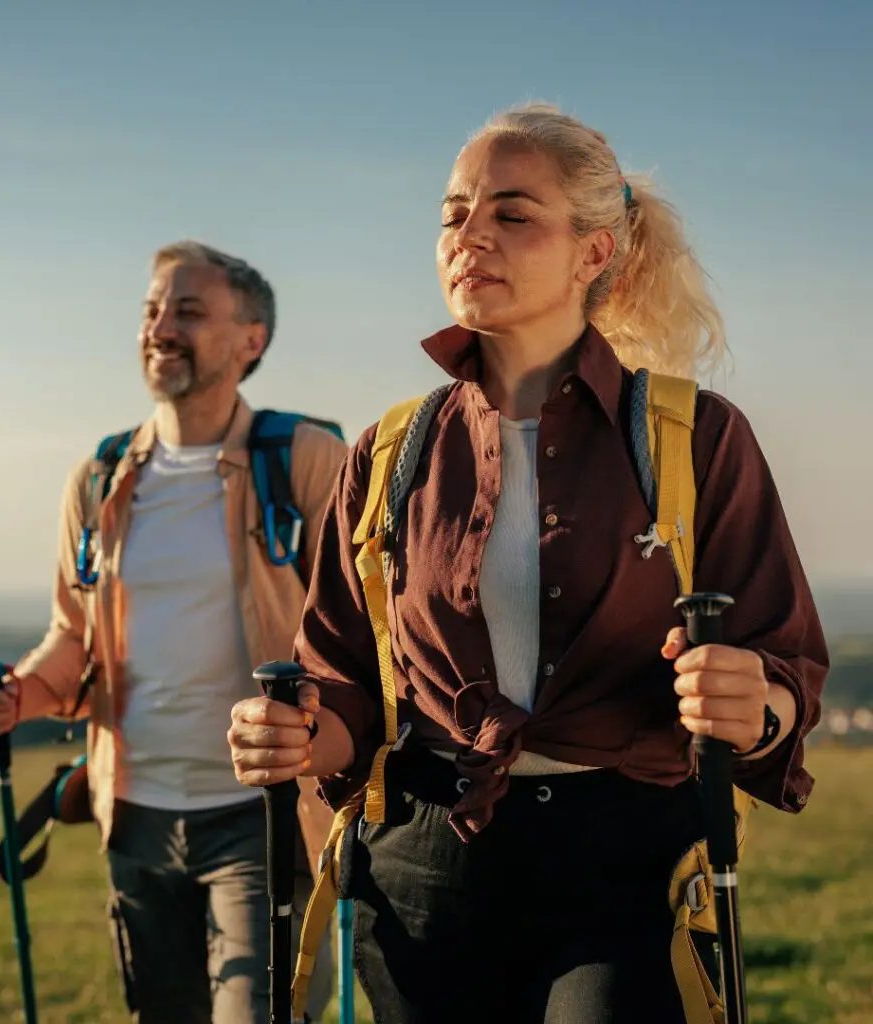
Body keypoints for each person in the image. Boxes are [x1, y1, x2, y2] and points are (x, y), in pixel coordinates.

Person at [226, 104, 828, 1023]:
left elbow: (782, 659)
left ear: (595, 251)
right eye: (454, 213)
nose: (470, 236)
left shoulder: (695, 436)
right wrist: (301, 734)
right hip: (422, 866)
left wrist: (758, 705)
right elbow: (343, 675)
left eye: (512, 213)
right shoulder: (390, 450)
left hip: (628, 868)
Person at [0, 240, 344, 1023]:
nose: (160, 328)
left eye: (188, 312)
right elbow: (74, 636)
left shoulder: (305, 460)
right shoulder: (101, 478)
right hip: (134, 817)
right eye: (152, 311)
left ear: (251, 340)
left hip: (265, 815)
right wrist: (18, 695)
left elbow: (358, 633)